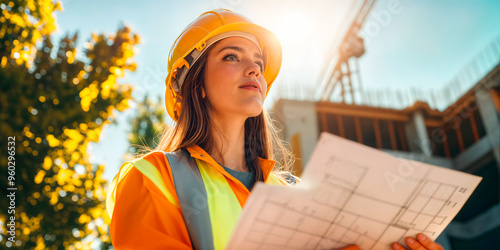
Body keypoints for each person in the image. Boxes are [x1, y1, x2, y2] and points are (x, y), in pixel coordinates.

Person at [105, 9, 443, 250]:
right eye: (231, 57)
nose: (254, 69)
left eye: (259, 62)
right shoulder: (153, 179)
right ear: (197, 84)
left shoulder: (294, 191)